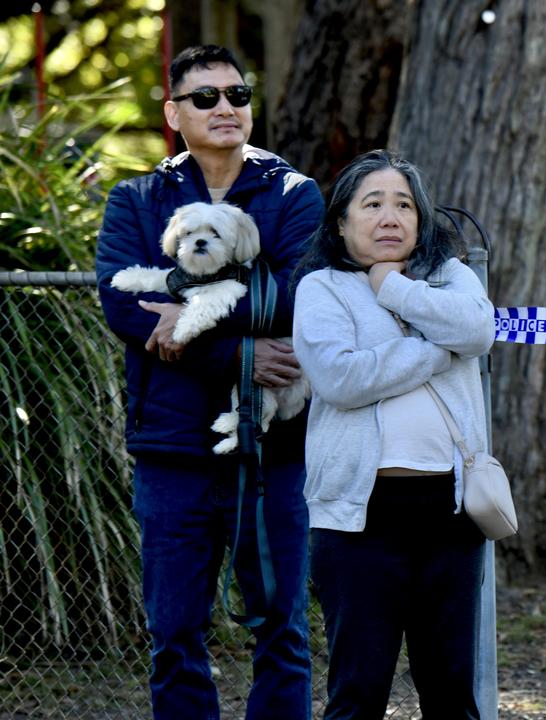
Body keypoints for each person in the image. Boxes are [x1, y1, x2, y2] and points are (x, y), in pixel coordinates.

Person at [95, 45, 321, 719]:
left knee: (282, 629)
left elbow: (298, 295)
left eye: (237, 94)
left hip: (273, 447)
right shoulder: (137, 199)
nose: (226, 107)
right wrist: (241, 358)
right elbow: (120, 302)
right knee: (173, 634)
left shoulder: (292, 194)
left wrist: (187, 315)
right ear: (173, 112)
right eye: (206, 97)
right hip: (171, 447)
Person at [292, 149, 496, 719]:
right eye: (372, 204)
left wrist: (393, 286)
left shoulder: (449, 276)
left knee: (452, 694)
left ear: (421, 218)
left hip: (450, 514)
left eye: (403, 204)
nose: (390, 217)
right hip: (359, 520)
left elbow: (477, 329)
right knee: (358, 693)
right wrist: (437, 349)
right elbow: (341, 377)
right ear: (341, 222)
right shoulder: (322, 288)